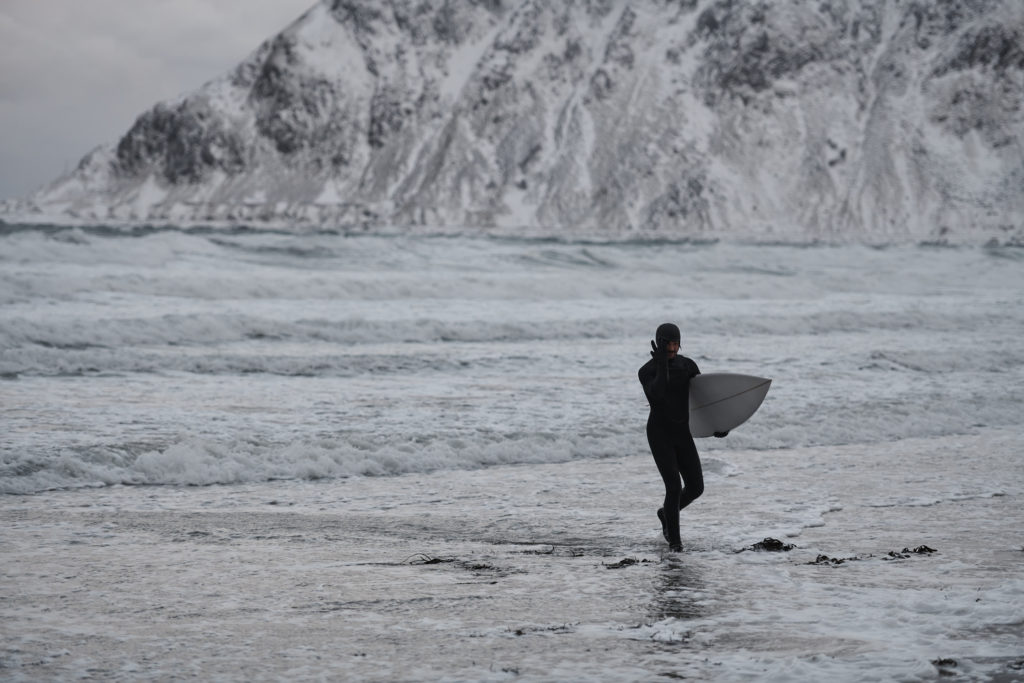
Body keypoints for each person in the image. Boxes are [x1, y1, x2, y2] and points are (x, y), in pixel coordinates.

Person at [638, 323, 726, 551]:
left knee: (696, 487)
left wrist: (719, 423)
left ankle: (666, 513)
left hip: (682, 432)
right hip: (659, 434)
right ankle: (675, 544)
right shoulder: (646, 371)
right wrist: (661, 367)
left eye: (675, 343)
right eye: (667, 343)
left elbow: (703, 398)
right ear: (659, 342)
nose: (671, 348)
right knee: (674, 488)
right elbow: (657, 395)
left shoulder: (688, 366)